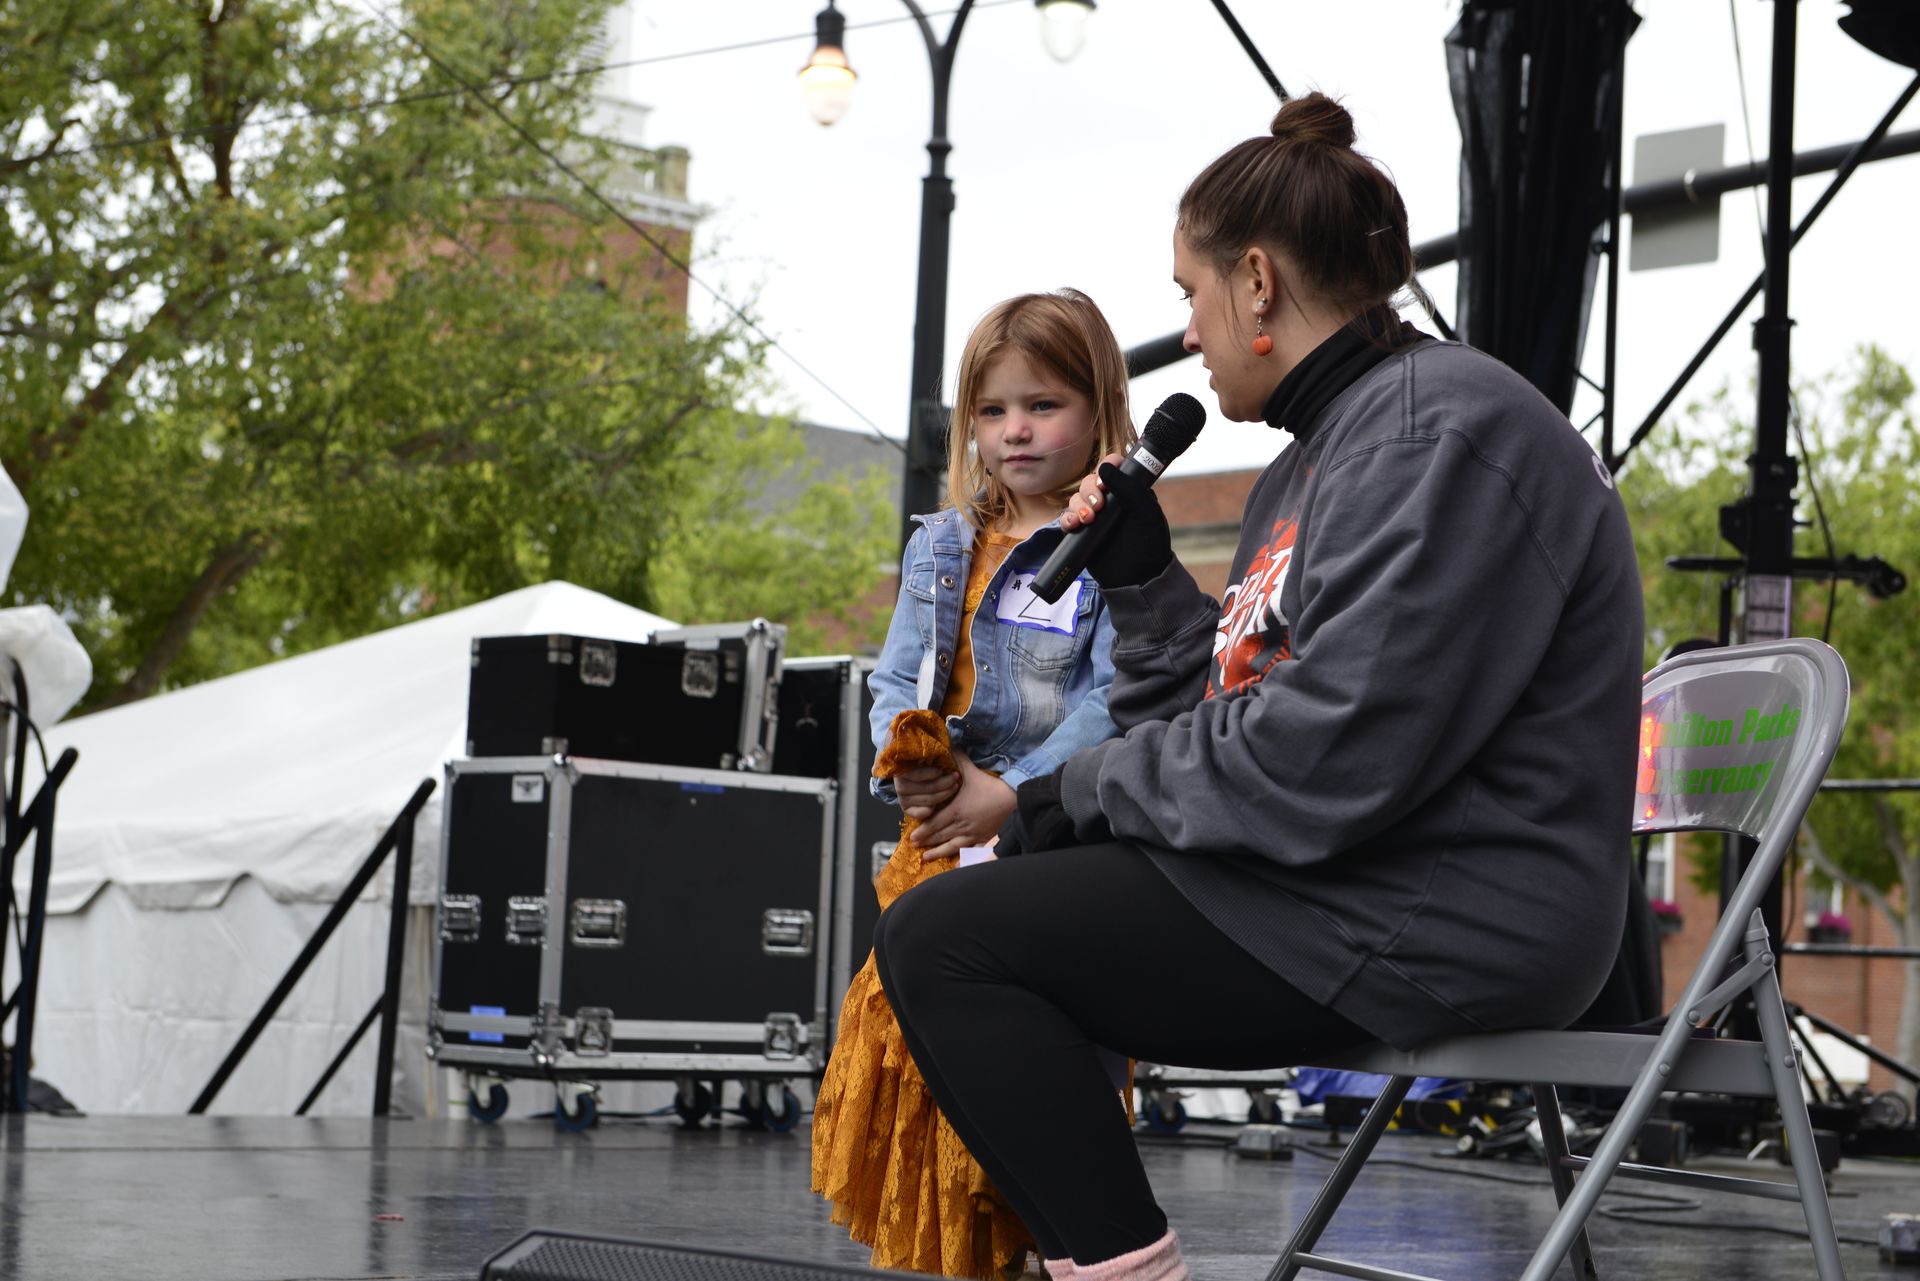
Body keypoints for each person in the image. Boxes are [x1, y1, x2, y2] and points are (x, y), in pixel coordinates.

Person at [870, 93, 1646, 1281]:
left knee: (957, 943)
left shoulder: (1438, 436)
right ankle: (1083, 1259)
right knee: (975, 910)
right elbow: (1229, 716)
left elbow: (1321, 761)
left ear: (1259, 283)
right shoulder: (1327, 451)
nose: (1188, 336)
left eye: (1189, 296)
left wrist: (1058, 796)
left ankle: (1114, 1268)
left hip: (1446, 906)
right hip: (1346, 876)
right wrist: (1143, 583)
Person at [812, 289, 1141, 1279]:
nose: (1016, 431)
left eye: (1042, 405)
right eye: (993, 412)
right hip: (942, 839)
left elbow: (1116, 700)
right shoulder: (941, 546)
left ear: (1098, 409)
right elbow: (894, 679)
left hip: (1052, 839)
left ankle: (1063, 1250)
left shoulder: (1116, 547)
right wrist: (911, 770)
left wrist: (1014, 793)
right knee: (927, 1086)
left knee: (1048, 1082)